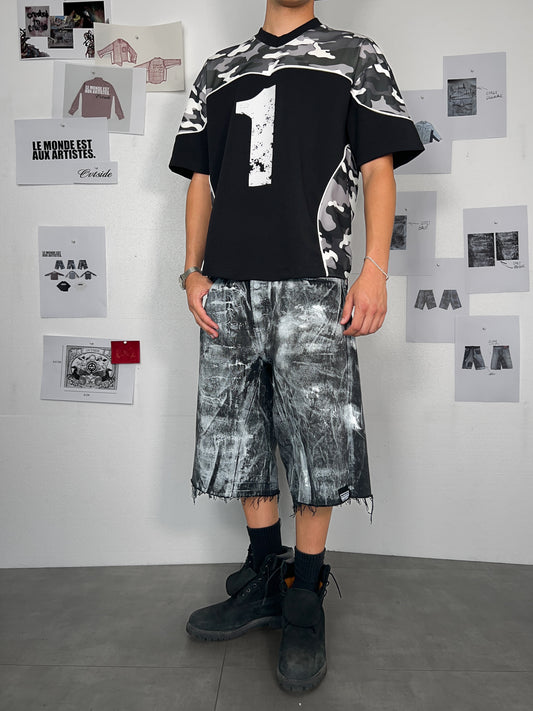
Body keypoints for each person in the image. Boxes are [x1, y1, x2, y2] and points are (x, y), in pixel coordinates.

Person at [169, 0, 423, 693]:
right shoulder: (218, 70)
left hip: (313, 285)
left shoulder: (354, 55)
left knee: (318, 443)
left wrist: (374, 270)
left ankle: (304, 594)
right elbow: (200, 179)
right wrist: (191, 270)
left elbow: (378, 169)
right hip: (226, 286)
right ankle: (263, 575)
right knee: (239, 440)